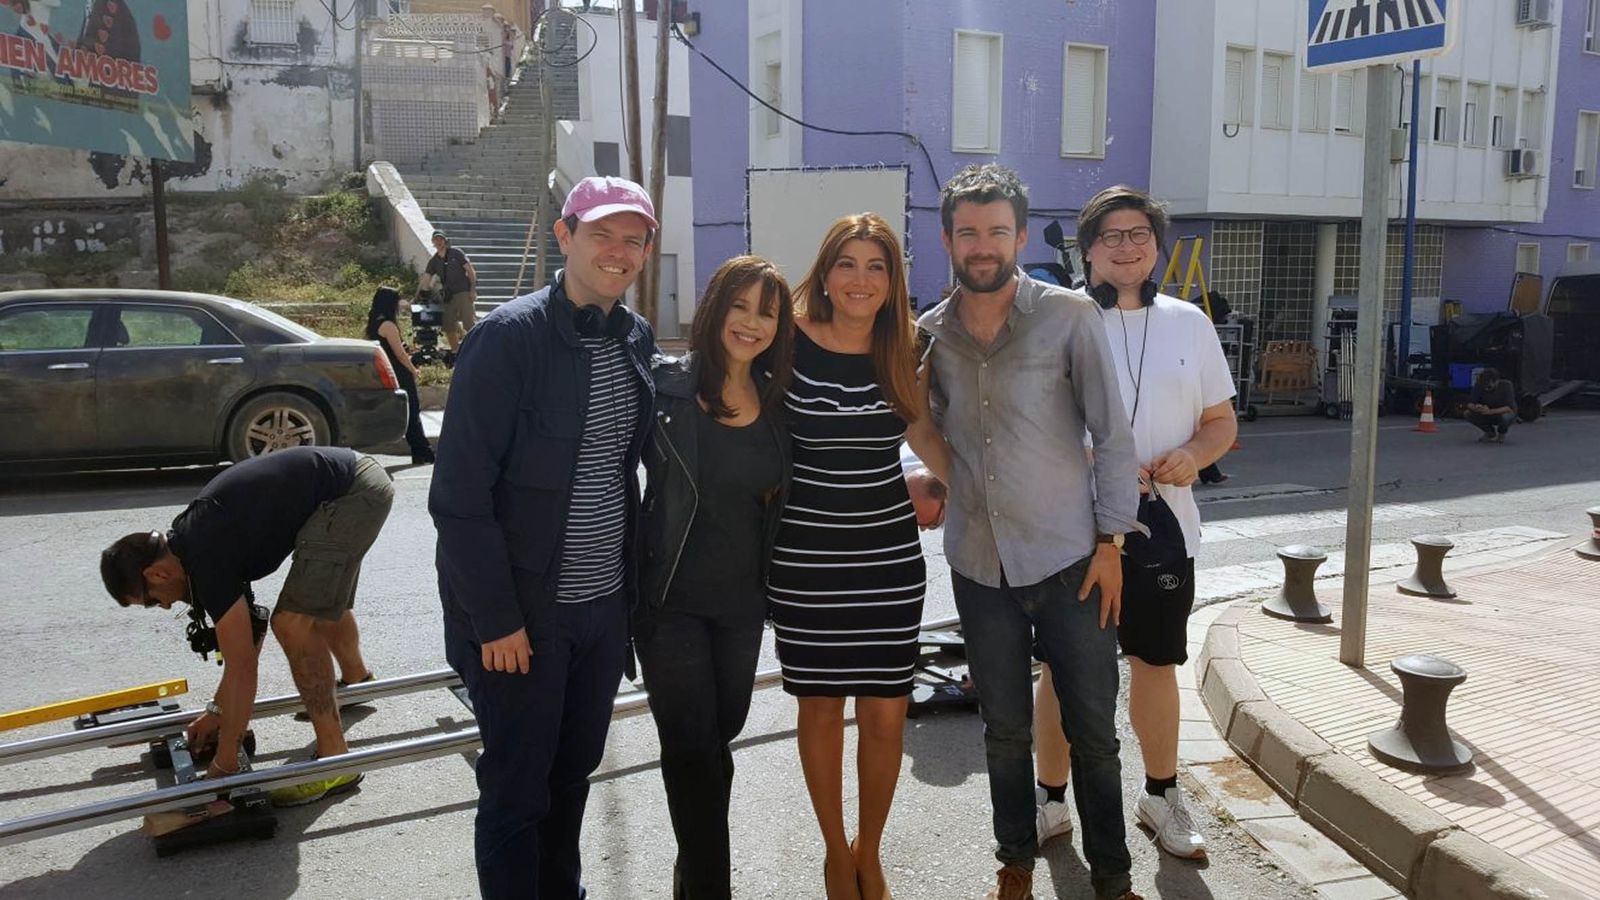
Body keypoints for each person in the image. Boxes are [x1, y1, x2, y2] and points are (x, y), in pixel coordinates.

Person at [918, 164, 1143, 900]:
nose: (983, 246)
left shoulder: (1069, 316)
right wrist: (925, 478)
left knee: (1096, 737)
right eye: (968, 232)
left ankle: (1113, 878)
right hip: (981, 568)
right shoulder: (928, 336)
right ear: (949, 240)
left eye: (997, 231)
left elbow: (1112, 436)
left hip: (1072, 560)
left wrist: (1111, 544)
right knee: (1005, 731)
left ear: (1018, 235)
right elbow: (917, 430)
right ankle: (1014, 861)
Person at [429, 175, 658, 899]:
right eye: (602, 235)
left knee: (571, 777)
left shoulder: (634, 338)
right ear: (565, 237)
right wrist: (495, 618)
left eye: (634, 239)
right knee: (516, 792)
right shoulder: (506, 340)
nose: (618, 252)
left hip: (600, 613)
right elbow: (458, 498)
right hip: (523, 618)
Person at [1032, 185, 1239, 865]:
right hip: (1073, 532)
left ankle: (1160, 796)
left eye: (1139, 234)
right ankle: (1050, 800)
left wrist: (1193, 455)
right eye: (1111, 235)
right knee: (1063, 672)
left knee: (1157, 663)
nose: (1127, 246)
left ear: (1156, 246)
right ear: (1087, 249)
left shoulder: (1189, 323)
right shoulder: (1055, 322)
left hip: (1165, 530)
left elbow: (1221, 422)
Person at [767, 212, 950, 900]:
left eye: (877, 266)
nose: (861, 279)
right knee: (819, 710)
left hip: (887, 561)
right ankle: (831, 852)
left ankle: (869, 851)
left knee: (884, 715)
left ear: (893, 279)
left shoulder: (908, 344)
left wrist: (982, 496)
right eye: (848, 263)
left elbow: (925, 432)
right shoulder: (784, 340)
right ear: (826, 269)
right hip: (806, 561)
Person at [99, 446, 391, 806]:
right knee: (310, 604)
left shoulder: (205, 556)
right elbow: (250, 634)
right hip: (350, 480)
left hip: (350, 493)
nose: (166, 605)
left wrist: (225, 763)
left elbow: (242, 666)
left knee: (294, 623)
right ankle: (357, 680)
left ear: (156, 573)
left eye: (154, 600)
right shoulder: (192, 543)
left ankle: (335, 762)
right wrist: (218, 713)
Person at [634, 255, 796, 899]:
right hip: (668, 601)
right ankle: (708, 887)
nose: (751, 322)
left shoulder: (780, 401)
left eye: (767, 311)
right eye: (740, 305)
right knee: (692, 744)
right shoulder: (666, 388)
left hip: (740, 607)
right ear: (715, 309)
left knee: (716, 740)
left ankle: (691, 869)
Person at [366, 286, 435, 465]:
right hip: (399, 372)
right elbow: (399, 354)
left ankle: (421, 451)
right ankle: (422, 451)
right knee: (412, 411)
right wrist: (413, 370)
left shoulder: (374, 321)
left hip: (388, 370)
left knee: (409, 412)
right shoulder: (388, 325)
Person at [423, 230, 479, 352]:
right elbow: (426, 279)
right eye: (436, 239)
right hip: (448, 296)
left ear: (445, 241)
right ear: (432, 242)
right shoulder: (434, 261)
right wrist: (418, 296)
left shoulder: (456, 253)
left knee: (469, 324)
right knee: (448, 326)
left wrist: (473, 289)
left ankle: (477, 349)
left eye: (440, 239)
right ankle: (455, 352)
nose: (438, 242)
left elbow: (470, 270)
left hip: (463, 292)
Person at [1465, 368, 1517, 443]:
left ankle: (1501, 433)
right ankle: (1490, 432)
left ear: (1496, 381)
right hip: (1486, 412)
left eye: (1489, 386)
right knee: (1467, 414)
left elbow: (1509, 408)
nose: (1486, 389)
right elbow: (1470, 403)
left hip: (1502, 411)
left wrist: (1490, 411)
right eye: (1484, 386)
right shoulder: (1479, 385)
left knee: (1506, 417)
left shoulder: (1506, 385)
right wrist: (1476, 408)